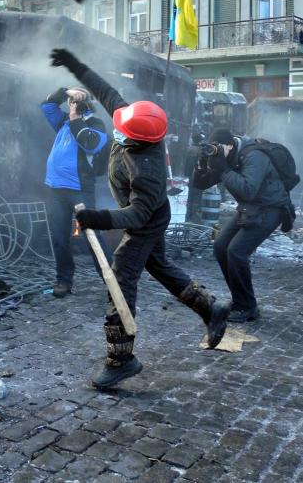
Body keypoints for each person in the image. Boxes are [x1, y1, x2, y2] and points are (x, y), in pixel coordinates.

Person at [49, 49, 230, 389]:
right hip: (150, 215)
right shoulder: (130, 116)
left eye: (122, 133)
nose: (117, 130)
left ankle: (120, 358)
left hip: (147, 221)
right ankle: (211, 309)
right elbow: (102, 88)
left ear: (138, 141)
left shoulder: (147, 169)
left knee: (121, 276)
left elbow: (137, 214)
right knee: (159, 266)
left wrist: (95, 217)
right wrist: (74, 63)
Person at [192, 128, 292, 323]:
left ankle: (248, 307)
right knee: (221, 246)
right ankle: (240, 300)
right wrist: (202, 164)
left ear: (230, 145)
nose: (217, 152)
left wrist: (223, 170)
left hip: (271, 208)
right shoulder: (225, 156)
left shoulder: (254, 155)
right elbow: (200, 184)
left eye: (219, 148)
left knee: (236, 252)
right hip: (251, 208)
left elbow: (248, 190)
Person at [42, 85, 110, 298]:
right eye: (72, 102)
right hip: (56, 189)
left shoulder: (96, 125)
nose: (72, 105)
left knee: (93, 237)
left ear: (87, 106)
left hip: (81, 190)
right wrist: (65, 92)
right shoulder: (63, 121)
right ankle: (64, 280)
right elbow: (47, 106)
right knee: (59, 238)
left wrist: (75, 117)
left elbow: (90, 145)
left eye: (77, 102)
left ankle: (114, 281)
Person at [184, 132, 205, 222]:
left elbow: (187, 163)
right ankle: (195, 216)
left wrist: (187, 173)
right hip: (199, 175)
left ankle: (188, 215)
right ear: (200, 140)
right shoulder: (201, 150)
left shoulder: (190, 149)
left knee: (191, 194)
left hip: (191, 176)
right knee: (198, 195)